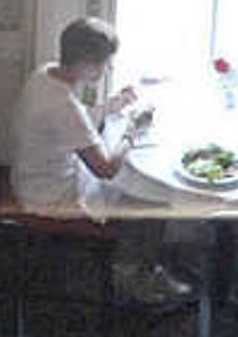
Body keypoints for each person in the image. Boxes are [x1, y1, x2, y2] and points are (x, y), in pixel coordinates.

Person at [11, 17, 143, 219]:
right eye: (105, 63)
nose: (108, 69)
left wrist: (113, 104)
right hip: (50, 199)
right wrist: (132, 132)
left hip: (30, 180)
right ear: (87, 63)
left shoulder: (45, 73)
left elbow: (74, 121)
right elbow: (105, 169)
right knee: (132, 194)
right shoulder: (63, 105)